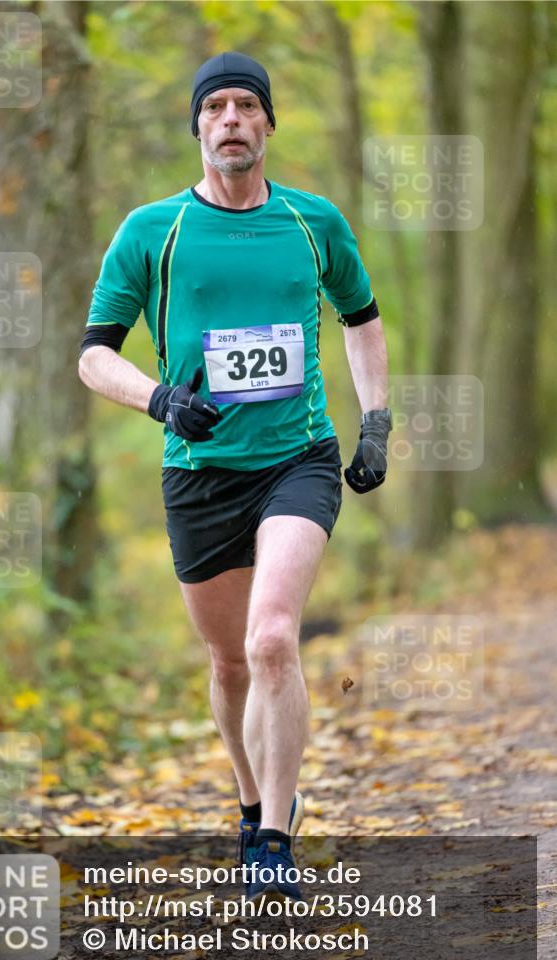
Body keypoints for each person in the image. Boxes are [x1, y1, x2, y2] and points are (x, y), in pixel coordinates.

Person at [78, 52, 391, 903]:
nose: (230, 119)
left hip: (297, 460)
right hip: (199, 472)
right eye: (214, 106)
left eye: (246, 105)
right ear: (196, 127)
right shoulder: (154, 230)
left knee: (272, 639)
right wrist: (159, 400)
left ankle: (274, 843)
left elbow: (361, 319)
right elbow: (93, 355)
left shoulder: (311, 221)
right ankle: (251, 804)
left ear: (267, 125)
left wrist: (376, 420)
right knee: (226, 663)